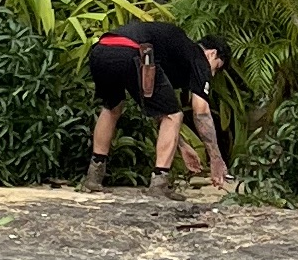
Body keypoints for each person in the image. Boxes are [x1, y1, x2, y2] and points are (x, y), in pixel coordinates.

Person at [82, 21, 230, 196]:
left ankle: (93, 177)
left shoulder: (172, 53)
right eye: (217, 67)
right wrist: (216, 158)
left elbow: (157, 110)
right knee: (174, 115)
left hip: (101, 50)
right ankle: (159, 183)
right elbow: (201, 111)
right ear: (212, 54)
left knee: (112, 107)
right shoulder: (199, 58)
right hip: (135, 52)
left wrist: (181, 146)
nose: (212, 74)